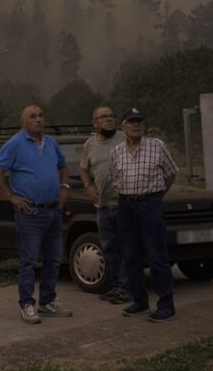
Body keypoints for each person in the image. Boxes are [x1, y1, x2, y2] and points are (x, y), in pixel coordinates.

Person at [0, 105, 73, 324]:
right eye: (32, 116)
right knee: (29, 261)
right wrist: (11, 197)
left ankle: (47, 302)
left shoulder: (51, 142)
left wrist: (64, 188)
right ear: (23, 122)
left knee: (53, 259)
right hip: (30, 212)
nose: (38, 119)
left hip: (53, 210)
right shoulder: (15, 143)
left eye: (41, 115)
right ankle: (27, 304)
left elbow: (63, 167)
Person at [110, 107, 179, 322]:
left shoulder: (157, 146)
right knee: (130, 255)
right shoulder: (117, 151)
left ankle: (166, 305)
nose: (136, 125)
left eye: (139, 121)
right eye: (131, 121)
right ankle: (140, 302)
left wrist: (155, 197)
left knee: (157, 255)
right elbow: (115, 179)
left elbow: (171, 174)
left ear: (144, 125)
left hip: (150, 204)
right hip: (125, 205)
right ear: (123, 126)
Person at [78, 105, 130, 304]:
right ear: (95, 123)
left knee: (127, 248)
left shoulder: (125, 138)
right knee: (109, 249)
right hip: (103, 206)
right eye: (103, 117)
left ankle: (126, 288)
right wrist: (88, 186)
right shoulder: (89, 144)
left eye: (111, 116)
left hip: (124, 203)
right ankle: (116, 287)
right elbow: (83, 169)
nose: (108, 119)